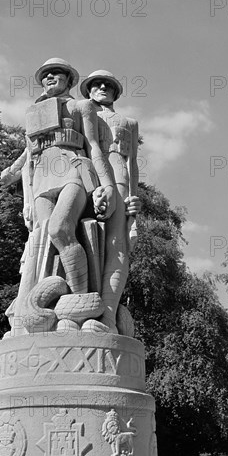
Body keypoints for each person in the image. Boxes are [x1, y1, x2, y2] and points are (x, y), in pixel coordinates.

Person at [1, 58, 116, 331]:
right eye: (45, 75)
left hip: (71, 171)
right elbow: (29, 154)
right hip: (41, 179)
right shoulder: (35, 112)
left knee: (60, 229)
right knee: (40, 242)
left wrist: (108, 186)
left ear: (68, 79)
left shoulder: (81, 106)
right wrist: (20, 187)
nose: (50, 77)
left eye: (56, 73)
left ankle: (81, 304)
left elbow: (94, 147)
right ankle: (40, 308)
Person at [80, 70, 141, 333]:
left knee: (118, 245)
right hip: (87, 176)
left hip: (118, 178)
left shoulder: (129, 122)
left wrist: (133, 198)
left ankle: (107, 315)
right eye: (96, 84)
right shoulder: (80, 111)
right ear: (89, 90)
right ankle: (81, 307)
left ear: (115, 91)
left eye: (108, 84)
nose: (103, 87)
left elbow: (132, 162)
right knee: (84, 238)